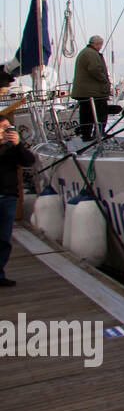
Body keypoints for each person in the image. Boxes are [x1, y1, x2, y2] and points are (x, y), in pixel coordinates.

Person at [0, 115, 36, 286]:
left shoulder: (13, 148)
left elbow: (29, 161)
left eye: (9, 127)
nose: (7, 131)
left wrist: (17, 144)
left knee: (4, 239)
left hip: (8, 196)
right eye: (3, 128)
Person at [71, 35, 112, 142]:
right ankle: (99, 133)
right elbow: (94, 69)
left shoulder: (85, 52)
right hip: (93, 92)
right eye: (100, 45)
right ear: (97, 44)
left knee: (86, 114)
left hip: (85, 91)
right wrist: (104, 80)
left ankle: (87, 135)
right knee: (99, 112)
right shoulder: (91, 53)